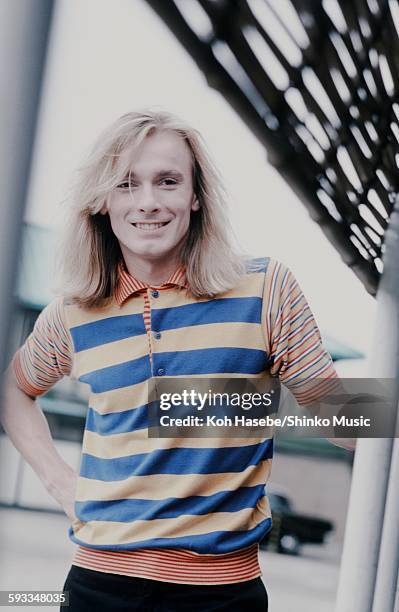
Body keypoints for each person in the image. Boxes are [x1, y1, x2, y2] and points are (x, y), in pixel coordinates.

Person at [1, 109, 352, 611]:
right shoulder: (73, 313)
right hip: (98, 586)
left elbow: (340, 415)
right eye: (126, 184)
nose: (147, 202)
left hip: (222, 594)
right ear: (102, 201)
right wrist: (61, 483)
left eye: (167, 181)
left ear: (195, 196)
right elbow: (13, 390)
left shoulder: (264, 288)